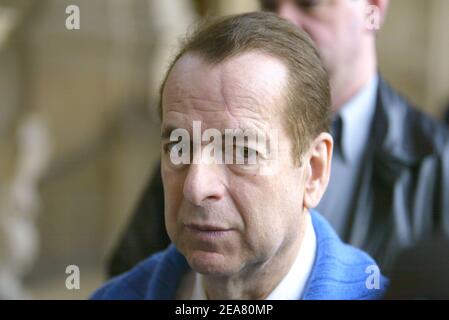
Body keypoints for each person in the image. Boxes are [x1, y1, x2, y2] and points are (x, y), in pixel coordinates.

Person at [107, 0, 449, 278]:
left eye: (309, 4)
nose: (284, 19)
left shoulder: (437, 162)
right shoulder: (197, 136)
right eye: (270, 3)